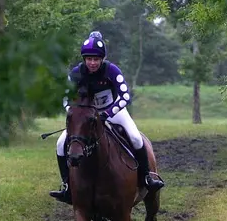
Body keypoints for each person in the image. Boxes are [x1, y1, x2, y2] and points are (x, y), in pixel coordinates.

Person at [50, 31, 165, 203]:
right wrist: (73, 114)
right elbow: (65, 98)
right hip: (86, 118)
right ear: (84, 59)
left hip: (113, 112)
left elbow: (125, 96)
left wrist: (107, 113)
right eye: (89, 59)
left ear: (102, 59)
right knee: (60, 144)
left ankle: (146, 177)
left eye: (96, 59)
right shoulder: (76, 73)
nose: (93, 63)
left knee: (135, 137)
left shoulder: (111, 70)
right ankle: (66, 186)